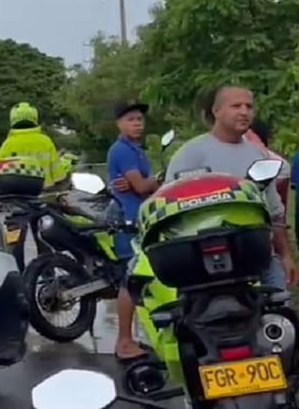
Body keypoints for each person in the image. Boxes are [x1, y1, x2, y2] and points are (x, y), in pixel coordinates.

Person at [164, 86, 297, 292]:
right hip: (205, 260)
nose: (244, 112)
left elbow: (275, 213)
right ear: (216, 111)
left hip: (256, 253)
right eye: (236, 106)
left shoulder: (258, 156)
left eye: (249, 107)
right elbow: (169, 206)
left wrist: (286, 257)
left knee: (280, 313)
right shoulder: (190, 154)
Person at [107, 100, 159, 362]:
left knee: (141, 278)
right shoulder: (123, 151)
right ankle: (124, 341)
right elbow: (141, 186)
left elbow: (139, 184)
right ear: (119, 124)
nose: (137, 124)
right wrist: (158, 180)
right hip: (128, 221)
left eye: (140, 119)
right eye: (131, 119)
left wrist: (146, 183)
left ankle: (133, 338)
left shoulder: (135, 149)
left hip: (139, 218)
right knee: (131, 280)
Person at [0, 102, 67, 189]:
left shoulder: (8, 144)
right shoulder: (46, 141)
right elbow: (59, 176)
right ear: (34, 117)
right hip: (45, 195)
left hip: (18, 196)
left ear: (13, 119)